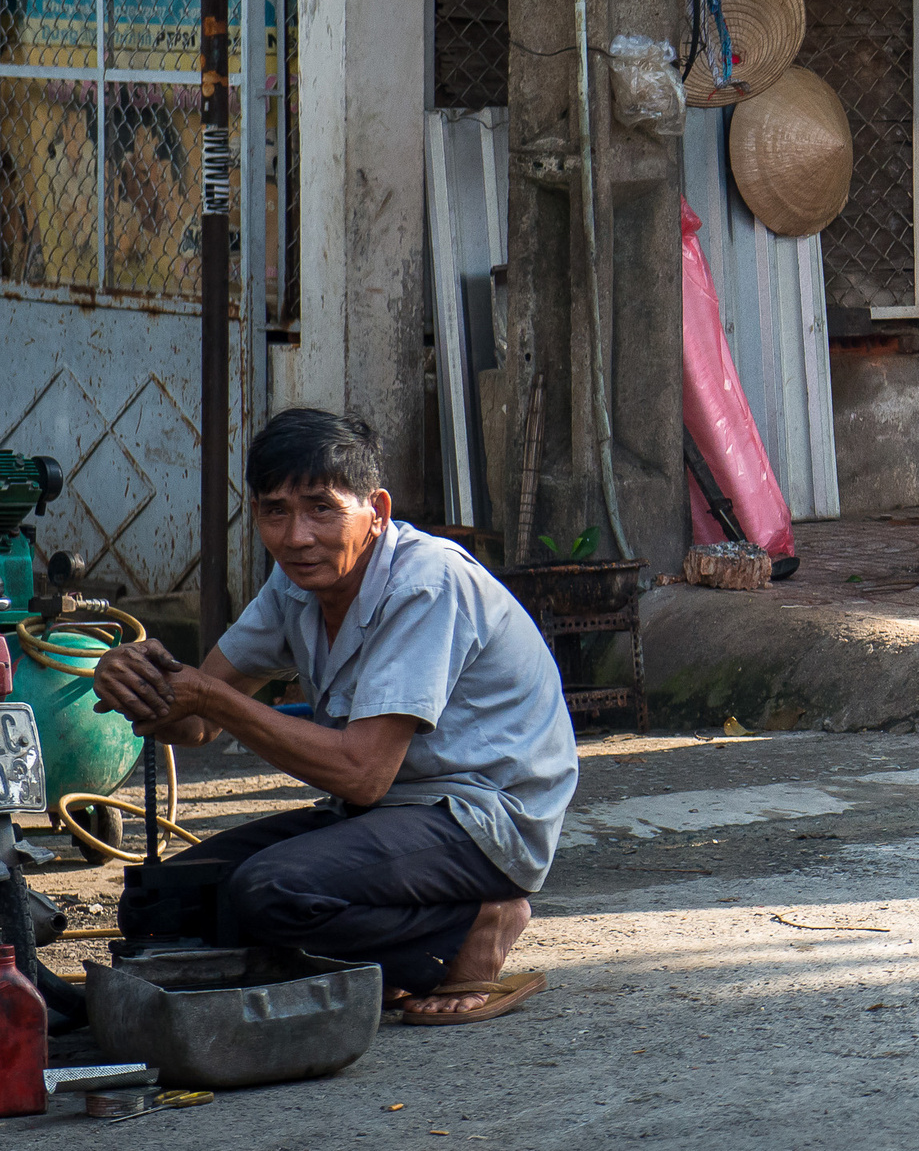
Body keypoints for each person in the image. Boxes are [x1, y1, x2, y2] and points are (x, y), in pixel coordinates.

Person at [91, 409, 577, 1025]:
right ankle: (383, 959)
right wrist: (132, 681)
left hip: (480, 816)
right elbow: (193, 726)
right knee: (160, 908)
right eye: (275, 512)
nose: (296, 537)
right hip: (380, 815)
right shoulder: (296, 584)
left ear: (376, 509)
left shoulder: (425, 583)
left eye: (322, 508)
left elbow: (362, 773)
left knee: (270, 892)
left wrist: (210, 699)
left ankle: (474, 925)